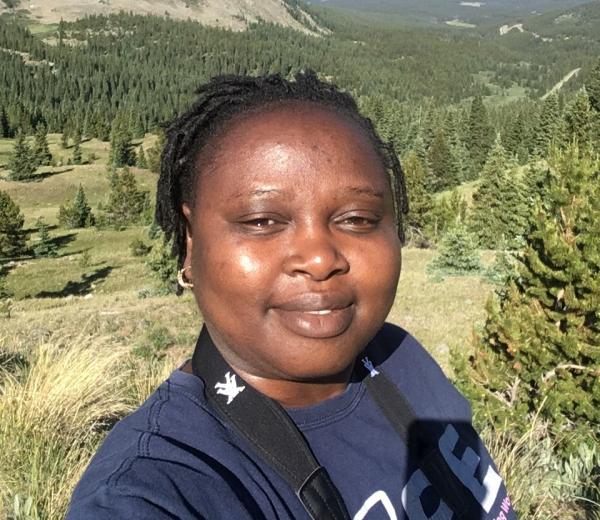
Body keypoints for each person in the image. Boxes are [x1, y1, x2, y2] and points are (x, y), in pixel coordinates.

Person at [67, 72, 517, 519]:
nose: (320, 259)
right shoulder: (158, 486)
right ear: (190, 242)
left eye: (358, 218)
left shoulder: (399, 357)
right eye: (263, 221)